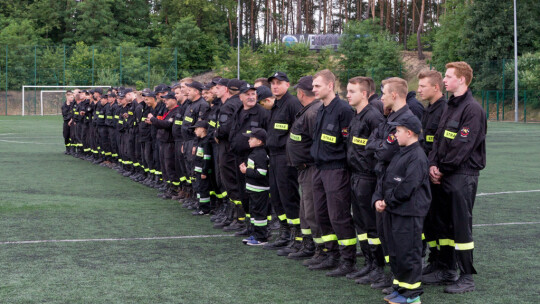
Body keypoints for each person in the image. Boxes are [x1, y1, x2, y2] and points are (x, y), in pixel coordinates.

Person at [426, 62, 486, 294]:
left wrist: (441, 168)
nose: (445, 80)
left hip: (461, 175)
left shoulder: (472, 109)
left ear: (462, 80)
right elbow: (438, 140)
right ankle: (446, 268)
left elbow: (463, 146)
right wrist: (433, 163)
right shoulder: (450, 106)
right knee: (443, 224)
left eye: (449, 76)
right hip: (443, 174)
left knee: (461, 227)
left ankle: (467, 276)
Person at [373, 115, 431, 304]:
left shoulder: (418, 156)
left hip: (409, 212)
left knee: (409, 253)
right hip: (395, 210)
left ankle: (412, 296)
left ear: (409, 132)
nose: (394, 134)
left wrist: (387, 201)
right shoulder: (401, 152)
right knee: (397, 252)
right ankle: (400, 289)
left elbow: (407, 187)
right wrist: (379, 199)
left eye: (397, 131)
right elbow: (386, 178)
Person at [366, 77, 416, 291]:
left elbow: (386, 151)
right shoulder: (390, 117)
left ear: (394, 95)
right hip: (383, 178)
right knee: (385, 233)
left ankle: (400, 279)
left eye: (384, 93)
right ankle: (394, 276)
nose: (381, 97)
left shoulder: (406, 118)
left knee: (396, 237)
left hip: (394, 183)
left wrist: (379, 146)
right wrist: (379, 145)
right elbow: (371, 143)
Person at [309, 69, 357, 277]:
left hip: (336, 170)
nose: (313, 89)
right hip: (319, 168)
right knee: (321, 214)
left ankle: (348, 260)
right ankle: (332, 254)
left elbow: (349, 144)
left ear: (330, 86)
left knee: (339, 216)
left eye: (317, 86)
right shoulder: (321, 109)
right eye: (313, 86)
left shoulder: (343, 110)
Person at [344, 76, 386, 283]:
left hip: (368, 178)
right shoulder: (356, 115)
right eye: (347, 91)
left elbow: (380, 150)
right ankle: (369, 263)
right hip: (355, 176)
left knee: (372, 226)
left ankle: (378, 267)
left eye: (352, 91)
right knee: (360, 224)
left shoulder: (373, 117)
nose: (347, 95)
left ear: (365, 94)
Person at [264, 71, 303, 251]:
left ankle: (298, 237)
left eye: (279, 82)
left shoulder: (292, 103)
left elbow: (298, 132)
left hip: (286, 158)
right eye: (272, 83)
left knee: (289, 197)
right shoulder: (276, 104)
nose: (275, 86)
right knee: (277, 197)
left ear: (288, 84)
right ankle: (285, 233)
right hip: (274, 157)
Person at [285, 75, 322, 261]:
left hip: (310, 168)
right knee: (305, 208)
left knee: (311, 209)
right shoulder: (309, 110)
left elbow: (317, 144)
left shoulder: (312, 113)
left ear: (300, 93)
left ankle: (318, 248)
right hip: (304, 168)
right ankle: (308, 243)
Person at [415, 70, 448, 276]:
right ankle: (434, 260)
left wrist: (437, 167)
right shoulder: (429, 109)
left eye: (422, 86)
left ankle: (445, 265)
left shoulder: (444, 109)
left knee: (441, 221)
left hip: (438, 175)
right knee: (430, 221)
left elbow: (443, 144)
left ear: (436, 87)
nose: (418, 90)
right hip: (426, 171)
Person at [229, 82, 270, 237]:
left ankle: (261, 229)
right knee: (244, 193)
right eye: (247, 94)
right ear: (240, 97)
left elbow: (267, 137)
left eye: (253, 94)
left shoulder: (262, 113)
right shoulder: (238, 111)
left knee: (255, 196)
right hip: (239, 158)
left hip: (254, 158)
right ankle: (250, 225)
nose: (251, 96)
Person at [239, 127, 271, 246]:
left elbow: (262, 173)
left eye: (252, 138)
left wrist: (246, 171)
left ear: (260, 141)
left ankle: (261, 237)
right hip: (253, 189)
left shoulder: (260, 154)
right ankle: (255, 234)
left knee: (259, 214)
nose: (248, 140)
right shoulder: (255, 153)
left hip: (259, 190)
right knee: (254, 212)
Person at [191, 120, 214, 215]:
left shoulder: (206, 142)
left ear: (203, 129)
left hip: (203, 172)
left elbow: (207, 158)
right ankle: (200, 206)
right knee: (200, 188)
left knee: (203, 190)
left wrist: (204, 172)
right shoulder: (201, 141)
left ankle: (205, 209)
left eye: (196, 129)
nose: (195, 131)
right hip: (198, 170)